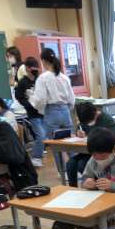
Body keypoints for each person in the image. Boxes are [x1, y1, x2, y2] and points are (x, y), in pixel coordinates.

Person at [29, 47, 75, 175]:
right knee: (71, 144)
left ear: (43, 61)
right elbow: (72, 99)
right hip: (65, 111)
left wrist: (32, 100)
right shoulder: (64, 77)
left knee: (56, 146)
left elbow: (40, 99)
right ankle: (78, 170)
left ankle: (62, 173)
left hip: (52, 112)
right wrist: (66, 108)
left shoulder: (43, 78)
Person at [66, 102, 115, 187]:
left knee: (82, 164)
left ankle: (96, 184)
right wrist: (79, 133)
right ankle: (73, 189)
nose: (88, 123)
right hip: (88, 151)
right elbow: (80, 129)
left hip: (102, 151)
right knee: (70, 163)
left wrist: (96, 137)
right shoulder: (84, 118)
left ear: (95, 113)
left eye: (90, 121)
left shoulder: (106, 118)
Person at [14, 57, 45, 168]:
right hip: (33, 114)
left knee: (45, 136)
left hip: (44, 112)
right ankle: (36, 157)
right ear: (27, 68)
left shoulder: (39, 80)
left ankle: (38, 154)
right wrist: (28, 105)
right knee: (41, 136)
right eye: (33, 68)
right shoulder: (23, 82)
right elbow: (19, 97)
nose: (35, 70)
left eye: (36, 68)